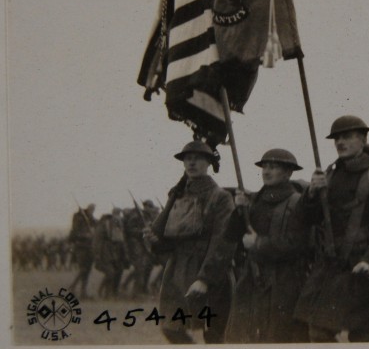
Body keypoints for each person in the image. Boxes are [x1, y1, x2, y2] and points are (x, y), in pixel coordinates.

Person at [294, 115, 369, 342]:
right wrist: (312, 193)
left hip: (364, 267)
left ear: (363, 140)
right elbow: (307, 219)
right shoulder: (329, 175)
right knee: (319, 331)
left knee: (361, 336)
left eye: (347, 136)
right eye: (337, 138)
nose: (340, 142)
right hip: (332, 266)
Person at [144, 141, 235, 344]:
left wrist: (205, 279)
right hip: (177, 272)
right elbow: (170, 240)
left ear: (209, 163)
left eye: (198, 158)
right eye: (187, 158)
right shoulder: (177, 195)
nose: (192, 162)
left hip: (211, 273)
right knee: (171, 327)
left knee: (214, 335)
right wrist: (155, 241)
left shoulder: (220, 197)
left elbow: (223, 242)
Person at [225, 149, 310, 343]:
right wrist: (239, 211)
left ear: (288, 173)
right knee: (242, 336)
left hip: (285, 281)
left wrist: (259, 244)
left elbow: (298, 244)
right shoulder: (253, 201)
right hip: (252, 278)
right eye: (265, 166)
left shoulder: (297, 203)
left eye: (274, 167)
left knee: (278, 336)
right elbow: (231, 236)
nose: (267, 171)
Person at [93, 207, 129, 299]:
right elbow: (97, 240)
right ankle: (102, 292)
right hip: (104, 252)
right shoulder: (104, 225)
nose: (118, 216)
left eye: (119, 214)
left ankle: (111, 292)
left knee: (117, 272)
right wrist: (97, 254)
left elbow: (120, 240)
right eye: (117, 214)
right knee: (110, 273)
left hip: (115, 253)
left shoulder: (118, 225)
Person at [68, 203, 96, 298]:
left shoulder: (91, 219)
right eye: (91, 209)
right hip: (81, 247)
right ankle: (72, 287)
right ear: (87, 208)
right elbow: (74, 233)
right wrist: (86, 235)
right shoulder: (78, 219)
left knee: (87, 270)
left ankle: (83, 292)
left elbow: (96, 223)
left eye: (93, 209)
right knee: (83, 269)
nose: (92, 210)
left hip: (89, 247)